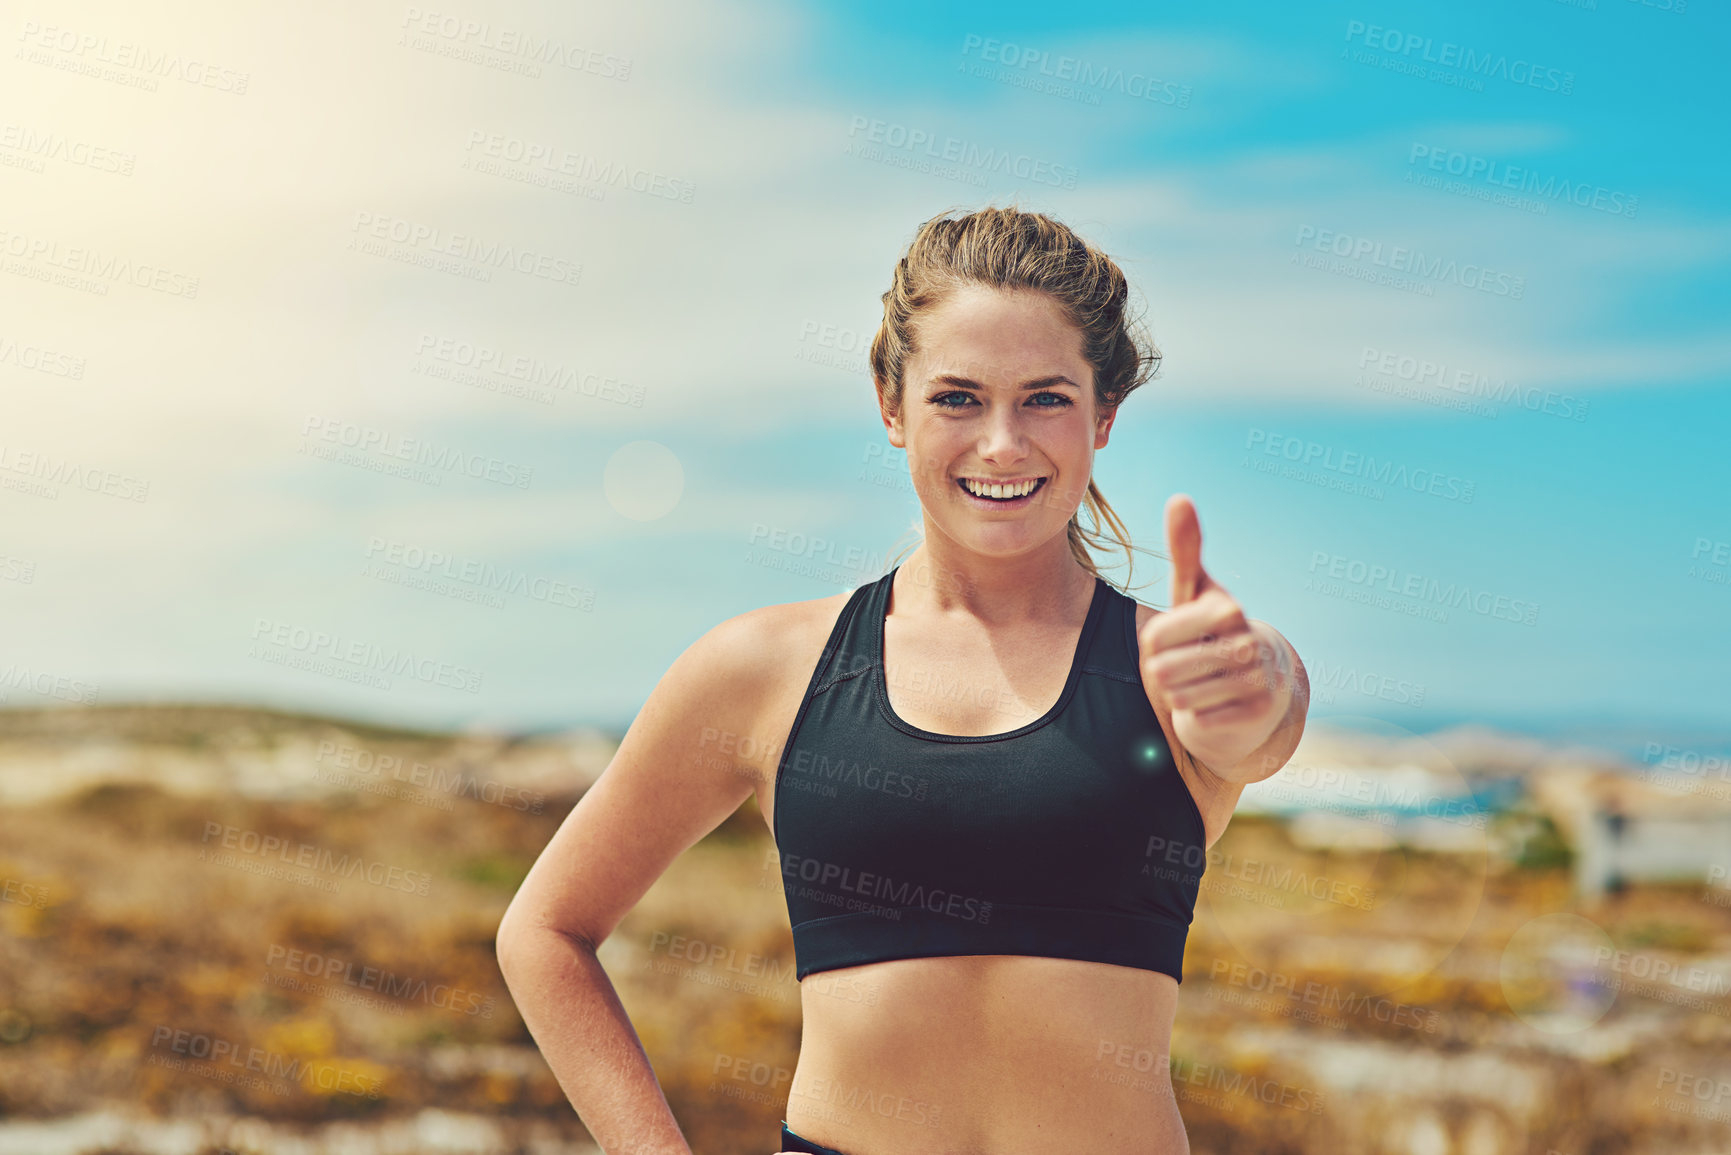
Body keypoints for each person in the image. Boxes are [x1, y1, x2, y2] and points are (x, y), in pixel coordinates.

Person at [496, 205, 1309, 1155]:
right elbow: (545, 930)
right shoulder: (766, 670)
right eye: (957, 398)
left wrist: (1262, 680)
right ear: (892, 406)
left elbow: (1265, 718)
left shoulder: (1179, 671)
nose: (1002, 443)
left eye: (1045, 397)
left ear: (1103, 415)